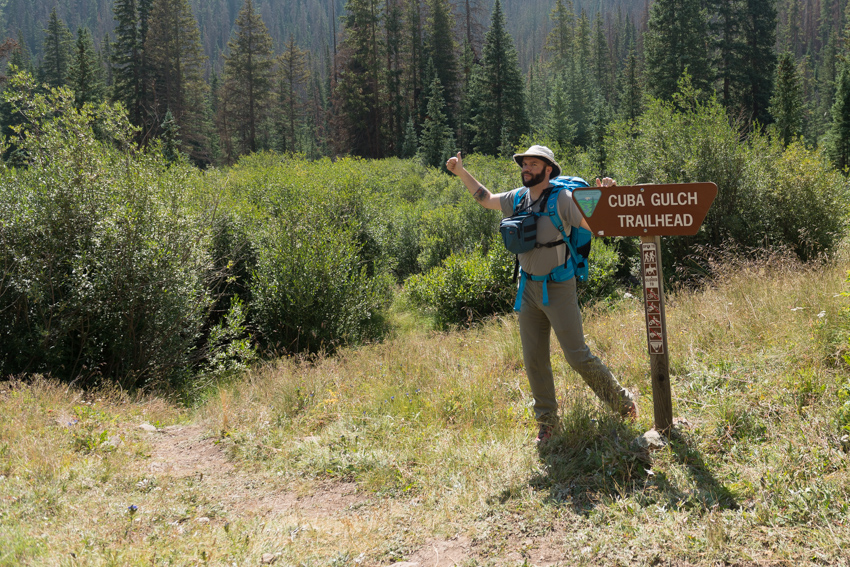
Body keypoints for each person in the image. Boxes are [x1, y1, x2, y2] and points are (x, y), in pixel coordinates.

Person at [446, 145, 637, 443]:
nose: (526, 168)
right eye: (524, 164)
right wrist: (460, 172)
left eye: (533, 164)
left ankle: (622, 403)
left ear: (548, 170)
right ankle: (547, 422)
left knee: (577, 356)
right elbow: (486, 199)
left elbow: (598, 226)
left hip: (559, 286)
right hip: (528, 288)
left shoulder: (561, 199)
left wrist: (607, 198)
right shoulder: (518, 198)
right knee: (534, 359)